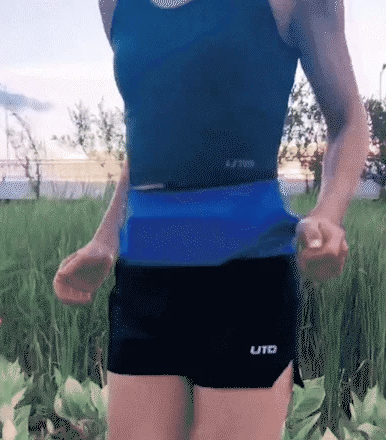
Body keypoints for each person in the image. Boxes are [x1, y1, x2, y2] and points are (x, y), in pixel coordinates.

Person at [53, 0, 370, 438]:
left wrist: (328, 215)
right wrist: (105, 239)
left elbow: (349, 120)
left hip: (247, 277)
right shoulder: (115, 6)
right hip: (144, 277)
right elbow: (153, 136)